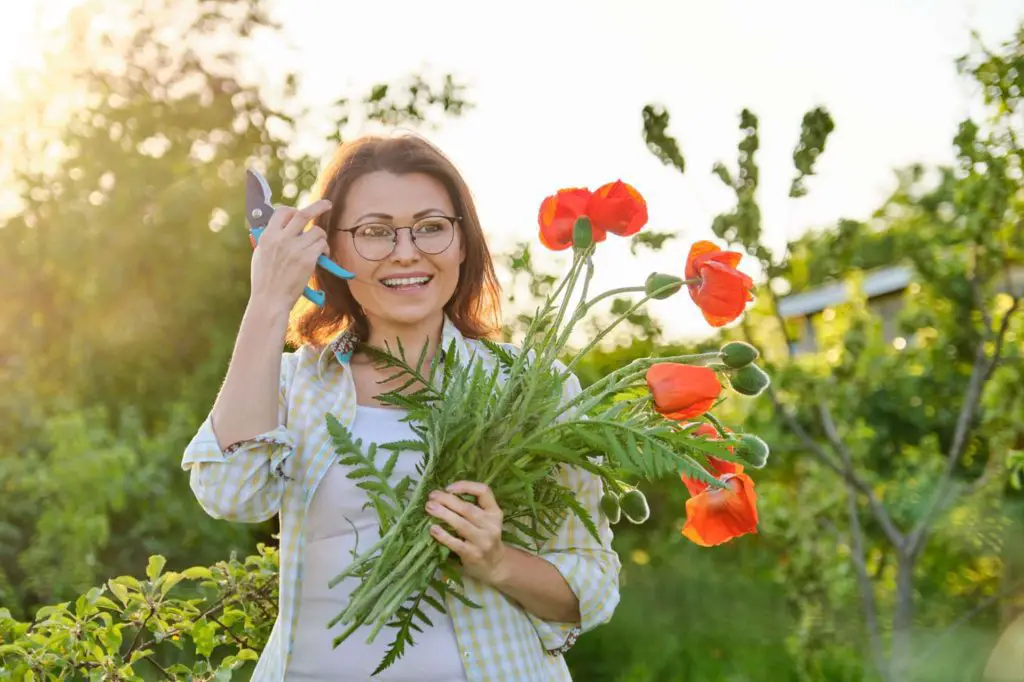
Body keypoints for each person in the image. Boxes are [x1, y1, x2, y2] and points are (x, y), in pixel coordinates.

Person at [181, 133, 621, 681]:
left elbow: (593, 585)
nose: (406, 251)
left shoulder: (533, 388)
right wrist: (269, 301)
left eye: (431, 226)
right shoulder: (294, 383)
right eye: (374, 232)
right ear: (332, 249)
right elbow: (230, 494)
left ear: (464, 242)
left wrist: (496, 561)